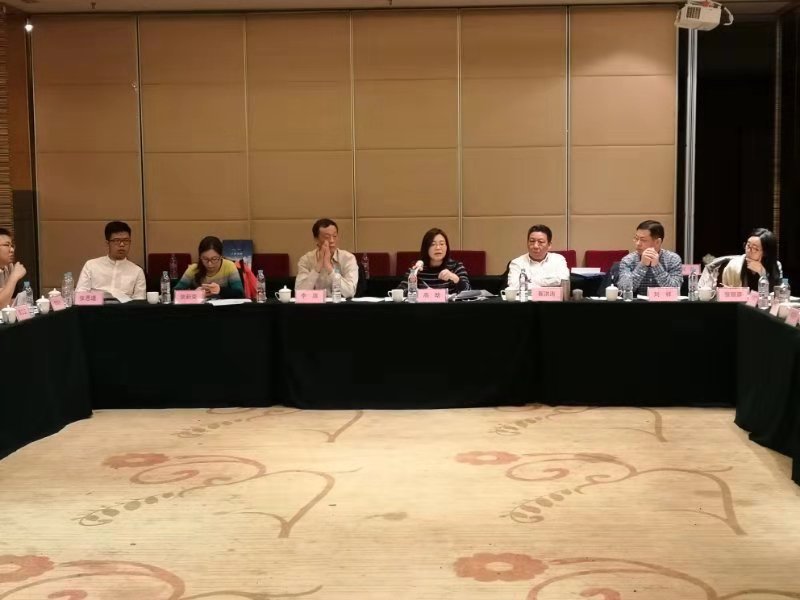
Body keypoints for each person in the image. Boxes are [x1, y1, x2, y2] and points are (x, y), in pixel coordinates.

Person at [76, 221, 146, 300]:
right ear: (107, 243)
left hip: (125, 308)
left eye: (126, 241)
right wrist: (102, 300)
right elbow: (79, 297)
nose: (122, 244)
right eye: (117, 240)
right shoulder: (91, 265)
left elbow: (139, 301)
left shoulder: (137, 271)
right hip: (96, 307)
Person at [295, 218, 358, 299]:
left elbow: (350, 292)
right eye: (327, 237)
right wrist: (318, 266)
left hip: (340, 305)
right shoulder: (306, 260)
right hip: (315, 305)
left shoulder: (348, 258)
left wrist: (329, 267)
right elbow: (300, 294)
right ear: (316, 239)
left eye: (334, 236)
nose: (332, 240)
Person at [617, 220, 683, 295]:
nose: (638, 243)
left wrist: (657, 266)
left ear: (657, 242)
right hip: (637, 302)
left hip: (664, 302)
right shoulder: (628, 260)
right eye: (636, 238)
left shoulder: (673, 259)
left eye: (643, 240)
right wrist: (642, 265)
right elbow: (623, 289)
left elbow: (675, 290)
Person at [399, 228, 470, 294]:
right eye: (433, 244)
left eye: (442, 244)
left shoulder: (456, 266)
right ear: (426, 248)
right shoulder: (417, 267)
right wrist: (414, 274)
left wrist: (455, 278)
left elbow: (468, 291)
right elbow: (400, 292)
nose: (438, 248)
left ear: (446, 247)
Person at [175, 236, 244, 299]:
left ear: (221, 256)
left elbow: (240, 293)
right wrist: (194, 294)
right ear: (200, 257)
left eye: (214, 259)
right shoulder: (193, 269)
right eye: (205, 259)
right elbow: (174, 293)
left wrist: (220, 290)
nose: (209, 264)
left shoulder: (229, 266)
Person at [507, 224, 570, 288]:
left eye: (541, 242)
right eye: (532, 241)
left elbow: (564, 280)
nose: (535, 246)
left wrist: (531, 281)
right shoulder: (517, 262)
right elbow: (514, 286)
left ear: (549, 245)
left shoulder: (558, 260)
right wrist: (550, 282)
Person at [0, 228, 25, 308]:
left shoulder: (8, 267)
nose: (12, 250)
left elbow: (12, 300)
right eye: (7, 245)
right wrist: (14, 277)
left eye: (12, 246)